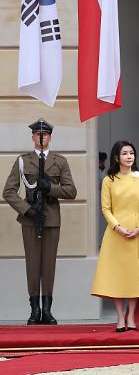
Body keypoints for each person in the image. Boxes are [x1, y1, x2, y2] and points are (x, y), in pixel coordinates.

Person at [2, 118, 77, 325]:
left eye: (45, 134)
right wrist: (28, 211)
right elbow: (8, 191)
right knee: (33, 265)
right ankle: (35, 310)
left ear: (50, 137)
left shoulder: (59, 161)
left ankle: (47, 310)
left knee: (48, 265)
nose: (41, 137)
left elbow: (71, 191)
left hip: (51, 219)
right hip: (31, 219)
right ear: (33, 137)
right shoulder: (23, 161)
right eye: (37, 134)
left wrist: (50, 188)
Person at [91, 141, 139, 331]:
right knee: (117, 276)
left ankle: (131, 316)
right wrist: (117, 227)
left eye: (132, 153)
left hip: (138, 232)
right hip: (116, 234)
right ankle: (120, 317)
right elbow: (106, 208)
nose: (129, 156)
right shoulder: (109, 180)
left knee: (133, 276)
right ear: (116, 158)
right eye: (125, 153)